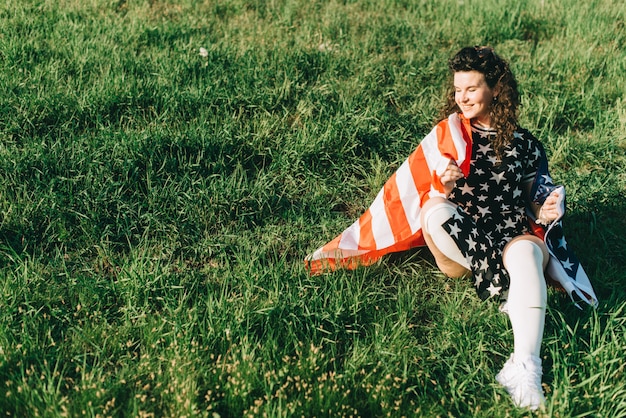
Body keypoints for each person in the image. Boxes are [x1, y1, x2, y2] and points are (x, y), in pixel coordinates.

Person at [305, 46, 598, 411]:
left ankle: (524, 365)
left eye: (471, 89)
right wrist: (442, 187)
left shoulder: (525, 145)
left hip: (510, 230)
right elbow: (414, 196)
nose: (462, 97)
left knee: (525, 252)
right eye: (458, 90)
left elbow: (536, 197)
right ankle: (511, 287)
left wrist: (549, 205)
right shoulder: (448, 136)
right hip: (464, 238)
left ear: (496, 90)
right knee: (433, 210)